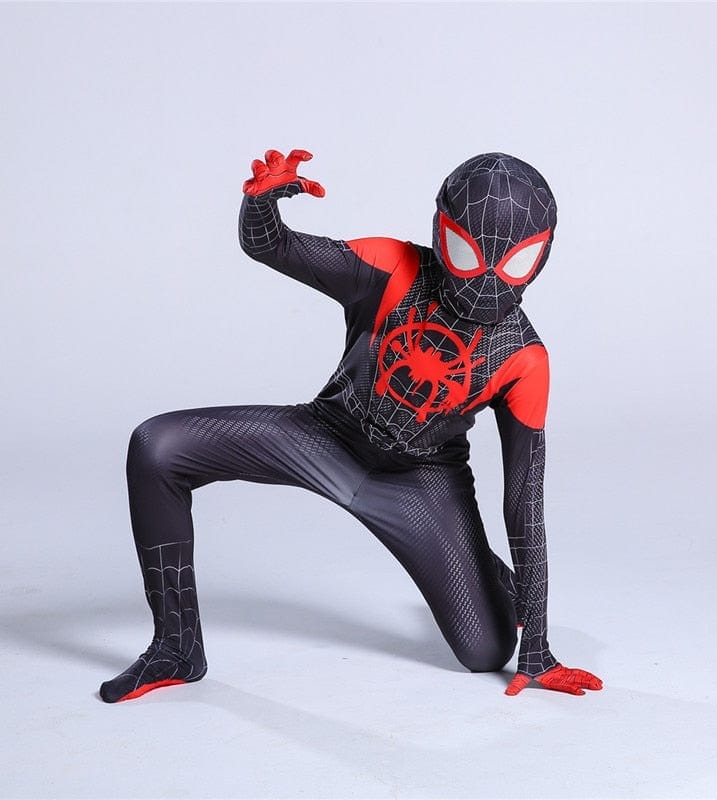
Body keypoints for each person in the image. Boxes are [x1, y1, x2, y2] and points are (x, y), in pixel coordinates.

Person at [99, 148, 603, 703]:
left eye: (512, 263)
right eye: (466, 252)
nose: (485, 280)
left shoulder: (525, 359)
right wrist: (262, 205)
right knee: (156, 446)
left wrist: (537, 651)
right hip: (323, 438)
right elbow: (272, 246)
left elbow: (524, 501)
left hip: (421, 484)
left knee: (485, 652)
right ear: (442, 231)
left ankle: (484, 571)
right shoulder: (392, 266)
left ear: (540, 256)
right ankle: (176, 647)